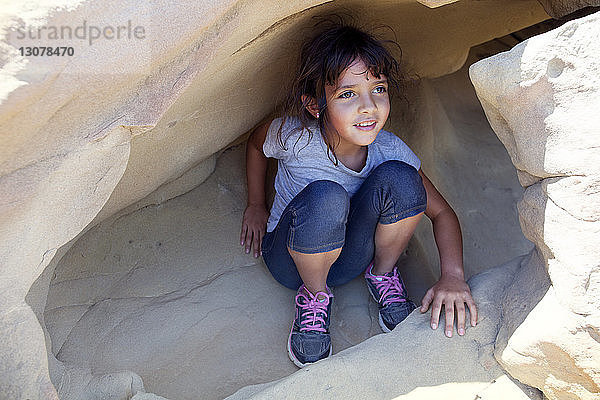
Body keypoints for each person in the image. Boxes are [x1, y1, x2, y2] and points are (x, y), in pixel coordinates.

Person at [240, 21, 477, 368]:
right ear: (315, 105)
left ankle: (382, 275)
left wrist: (453, 275)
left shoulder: (389, 149)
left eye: (378, 89)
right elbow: (255, 145)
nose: (368, 107)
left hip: (352, 257)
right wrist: (256, 204)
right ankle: (315, 296)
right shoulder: (294, 137)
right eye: (347, 94)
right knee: (327, 196)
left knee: (403, 177)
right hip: (291, 261)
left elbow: (442, 213)